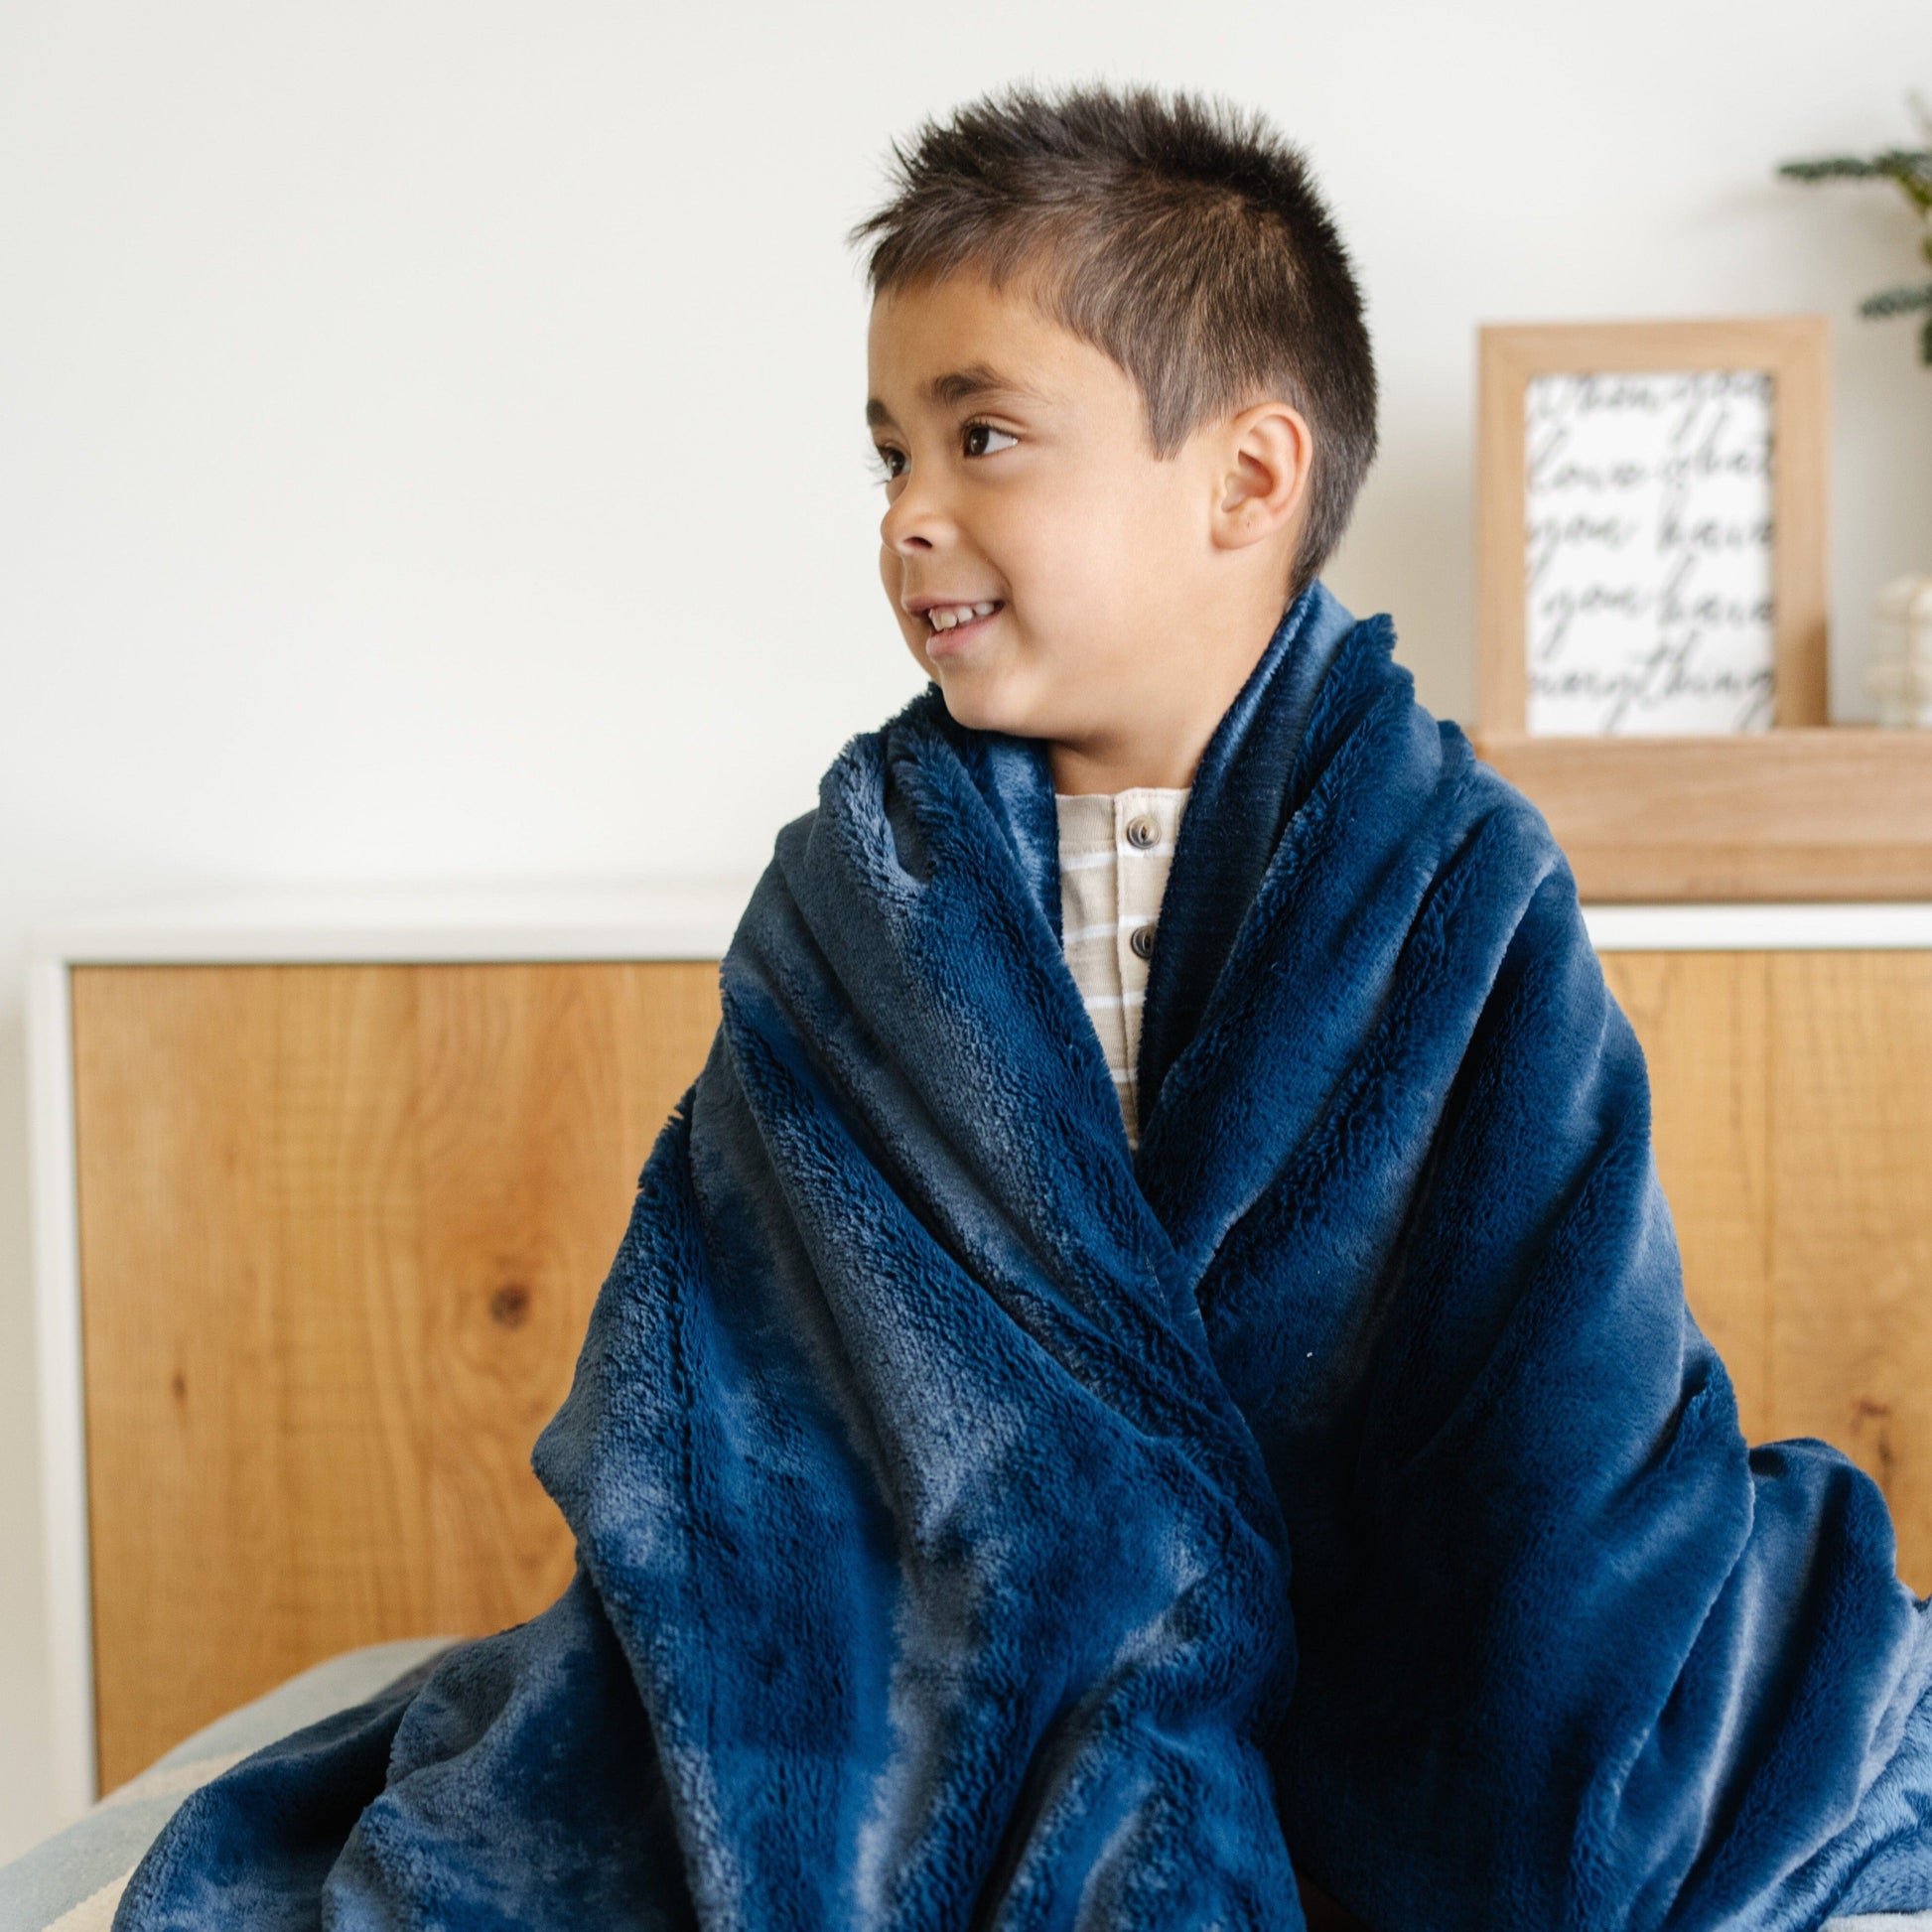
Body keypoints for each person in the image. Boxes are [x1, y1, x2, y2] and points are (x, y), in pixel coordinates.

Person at [113, 83, 1932, 1932]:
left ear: (1247, 478)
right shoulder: (855, 898)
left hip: (1390, 1638)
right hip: (956, 1643)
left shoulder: (1450, 881)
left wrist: (1555, 1733)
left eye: (982, 438)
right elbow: (746, 1377)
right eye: (888, 452)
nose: (911, 516)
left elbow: (1550, 1368)